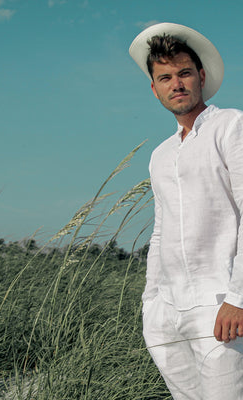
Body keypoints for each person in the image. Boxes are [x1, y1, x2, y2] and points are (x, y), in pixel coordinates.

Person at [129, 23, 243, 399]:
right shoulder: (159, 154)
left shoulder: (231, 126)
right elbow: (161, 231)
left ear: (201, 76)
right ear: (154, 88)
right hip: (166, 311)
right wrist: (151, 305)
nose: (175, 84)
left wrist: (238, 299)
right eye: (165, 77)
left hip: (219, 306)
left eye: (184, 73)